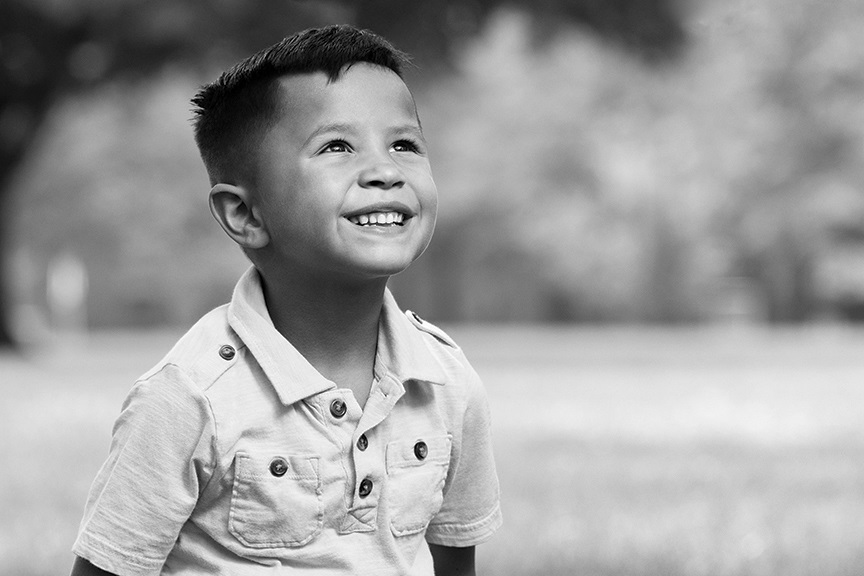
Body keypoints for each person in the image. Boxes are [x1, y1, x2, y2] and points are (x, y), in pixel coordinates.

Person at [70, 24, 502, 576]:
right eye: (337, 147)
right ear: (245, 215)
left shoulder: (445, 381)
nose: (385, 172)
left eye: (405, 144)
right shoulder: (192, 396)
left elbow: (454, 564)